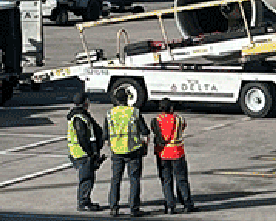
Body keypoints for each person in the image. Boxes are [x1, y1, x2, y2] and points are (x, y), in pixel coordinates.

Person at [104, 87, 149, 217]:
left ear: (116, 99)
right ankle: (134, 208)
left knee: (115, 180)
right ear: (128, 98)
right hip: (133, 150)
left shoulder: (110, 114)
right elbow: (145, 132)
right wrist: (145, 146)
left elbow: (105, 136)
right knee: (134, 179)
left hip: (117, 151)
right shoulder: (134, 112)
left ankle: (114, 207)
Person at [151, 99, 196, 214]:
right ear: (171, 108)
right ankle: (187, 204)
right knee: (181, 179)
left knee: (166, 180)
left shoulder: (156, 120)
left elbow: (155, 132)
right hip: (177, 152)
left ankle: (170, 205)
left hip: (162, 154)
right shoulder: (179, 119)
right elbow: (183, 127)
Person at [67, 92, 105, 212]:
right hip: (82, 153)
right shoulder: (79, 118)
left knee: (88, 178)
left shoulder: (81, 115)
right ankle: (83, 202)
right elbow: (83, 138)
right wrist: (91, 153)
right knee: (86, 178)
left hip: (81, 152)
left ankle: (85, 200)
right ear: (85, 102)